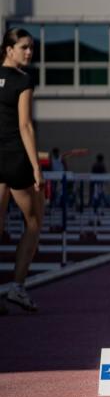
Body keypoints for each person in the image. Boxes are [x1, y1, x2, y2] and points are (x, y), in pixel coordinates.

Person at [0, 27, 44, 312]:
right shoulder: (22, 80)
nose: (30, 52)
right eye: (24, 47)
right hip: (15, 158)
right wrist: (36, 168)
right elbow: (25, 126)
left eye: (31, 47)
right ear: (9, 49)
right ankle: (17, 286)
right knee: (34, 222)